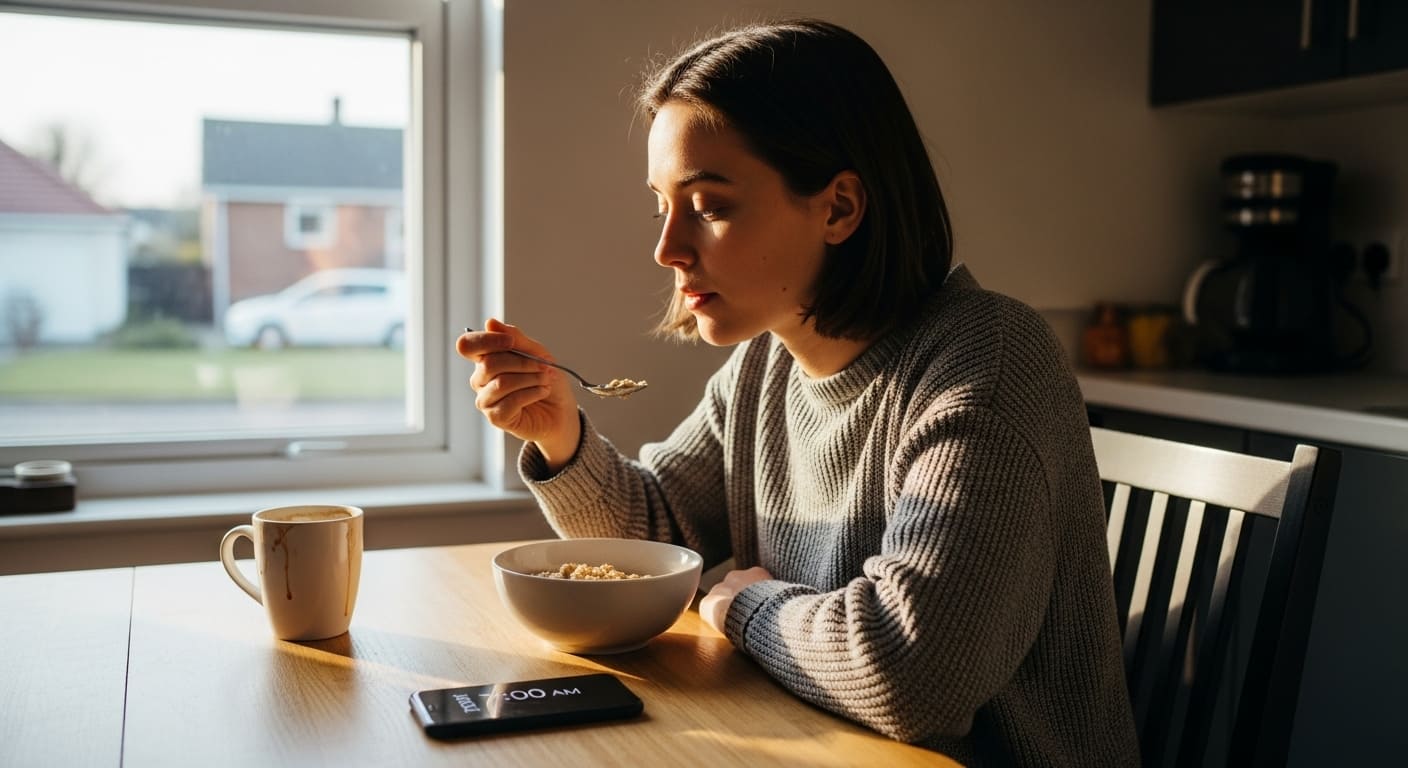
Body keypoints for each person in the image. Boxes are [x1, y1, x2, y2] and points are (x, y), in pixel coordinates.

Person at [457, 18, 1139, 767]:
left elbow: (912, 673)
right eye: (662, 205)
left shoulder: (988, 361)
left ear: (840, 208)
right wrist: (560, 435)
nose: (667, 248)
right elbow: (659, 539)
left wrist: (740, 606)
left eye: (709, 206)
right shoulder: (765, 368)